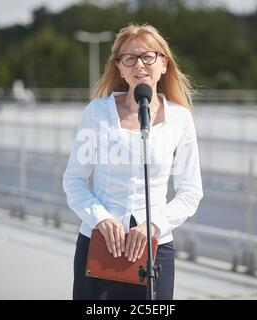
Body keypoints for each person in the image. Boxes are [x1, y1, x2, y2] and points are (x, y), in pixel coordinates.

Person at [62, 23, 203, 300]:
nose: (139, 65)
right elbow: (74, 180)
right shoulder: (97, 113)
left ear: (163, 63)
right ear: (120, 67)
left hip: (154, 249)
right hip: (99, 247)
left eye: (148, 56)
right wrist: (101, 219)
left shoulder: (180, 119)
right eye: (129, 58)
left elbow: (191, 191)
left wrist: (154, 225)